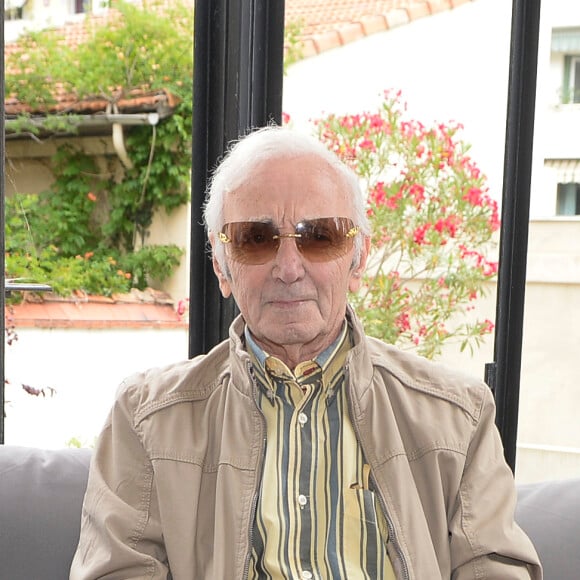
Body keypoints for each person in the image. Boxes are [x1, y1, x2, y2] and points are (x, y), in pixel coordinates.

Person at [70, 125, 542, 579]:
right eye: (256, 238)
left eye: (320, 236)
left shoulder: (457, 417)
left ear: (357, 260)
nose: (289, 267)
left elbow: (494, 570)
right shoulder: (147, 418)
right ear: (221, 265)